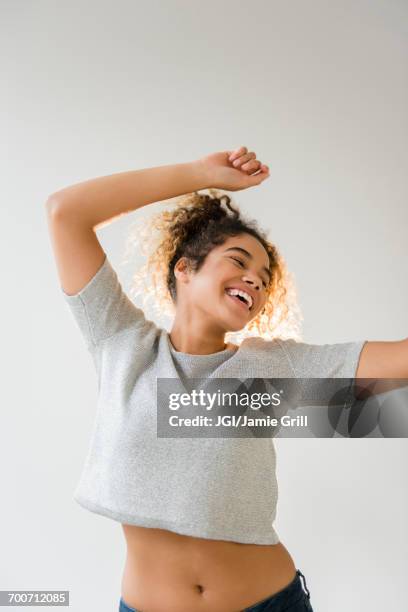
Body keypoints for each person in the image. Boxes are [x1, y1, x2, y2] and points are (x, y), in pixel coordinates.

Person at [45, 146, 407, 612]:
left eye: (264, 277)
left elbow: (398, 360)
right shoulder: (120, 341)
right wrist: (198, 174)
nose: (255, 280)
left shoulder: (269, 367)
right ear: (185, 268)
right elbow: (65, 213)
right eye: (239, 261)